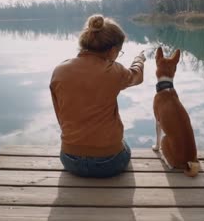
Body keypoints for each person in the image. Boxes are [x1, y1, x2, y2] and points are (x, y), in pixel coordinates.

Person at [50, 14, 146, 178]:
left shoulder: (59, 71)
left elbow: (60, 115)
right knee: (124, 145)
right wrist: (139, 59)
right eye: (119, 52)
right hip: (109, 162)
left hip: (69, 159)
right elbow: (136, 76)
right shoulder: (114, 71)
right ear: (113, 50)